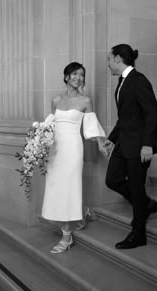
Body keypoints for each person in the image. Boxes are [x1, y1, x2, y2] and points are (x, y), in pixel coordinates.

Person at [42, 62, 108, 254]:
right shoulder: (55, 100)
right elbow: (50, 125)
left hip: (73, 149)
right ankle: (82, 211)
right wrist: (39, 142)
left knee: (69, 187)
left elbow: (91, 125)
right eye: (75, 74)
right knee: (57, 186)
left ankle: (67, 236)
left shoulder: (85, 101)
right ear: (66, 76)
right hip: (56, 150)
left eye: (82, 75)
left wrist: (100, 142)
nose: (78, 78)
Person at [105, 44, 157, 249]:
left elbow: (152, 113)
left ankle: (139, 234)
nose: (108, 64)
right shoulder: (122, 82)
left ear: (118, 58)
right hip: (123, 143)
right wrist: (111, 139)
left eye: (109, 60)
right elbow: (125, 117)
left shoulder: (138, 80)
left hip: (139, 147)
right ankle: (146, 205)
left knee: (136, 189)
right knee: (112, 179)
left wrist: (147, 144)